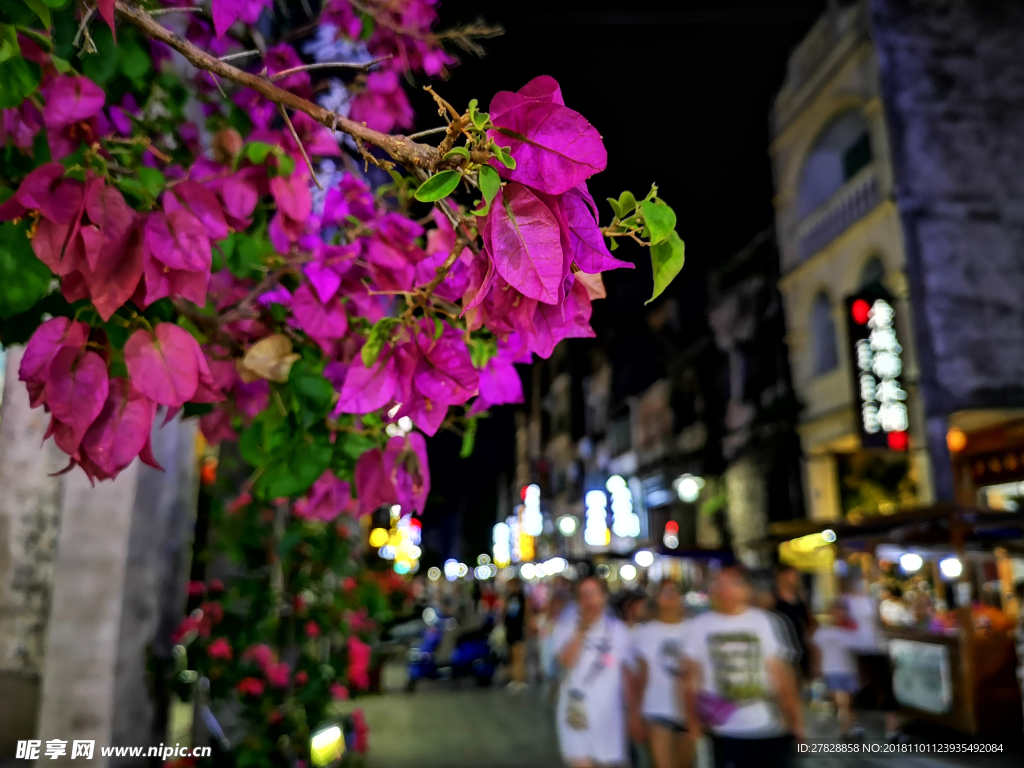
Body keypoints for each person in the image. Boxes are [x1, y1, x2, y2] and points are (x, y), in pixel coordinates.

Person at [682, 565, 804, 768]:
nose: (725, 590)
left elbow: (783, 674)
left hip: (768, 724)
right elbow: (690, 679)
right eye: (719, 583)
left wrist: (795, 721)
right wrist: (693, 724)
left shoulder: (766, 622)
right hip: (721, 729)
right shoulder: (699, 626)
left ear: (747, 589)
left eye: (733, 583)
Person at [554, 576, 633, 768]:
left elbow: (627, 672)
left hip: (608, 717)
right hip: (575, 714)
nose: (589, 600)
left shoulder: (619, 630)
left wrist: (633, 713)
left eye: (593, 594)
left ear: (604, 597)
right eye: (583, 595)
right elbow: (566, 662)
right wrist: (581, 631)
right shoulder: (565, 627)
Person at [631, 580, 695, 768]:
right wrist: (635, 713)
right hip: (656, 708)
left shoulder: (694, 628)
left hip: (688, 710)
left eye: (673, 591)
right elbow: (641, 675)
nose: (669, 596)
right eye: (663, 592)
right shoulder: (644, 632)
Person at [811, 599, 862, 738]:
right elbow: (817, 651)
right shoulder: (823, 632)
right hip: (832, 670)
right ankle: (847, 729)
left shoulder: (851, 631)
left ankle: (849, 727)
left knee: (847, 702)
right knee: (842, 702)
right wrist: (817, 668)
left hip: (850, 671)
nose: (840, 614)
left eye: (842, 610)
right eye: (837, 610)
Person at [773, 565, 814, 682]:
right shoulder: (771, 601)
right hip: (781, 652)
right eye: (792, 575)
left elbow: (809, 624)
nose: (795, 579)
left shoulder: (801, 601)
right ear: (781, 577)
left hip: (801, 651)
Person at [504, 578, 529, 693]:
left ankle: (520, 680)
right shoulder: (509, 597)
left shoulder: (521, 597)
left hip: (518, 629)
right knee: (513, 656)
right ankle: (515, 679)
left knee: (519, 655)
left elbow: (527, 612)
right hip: (510, 629)